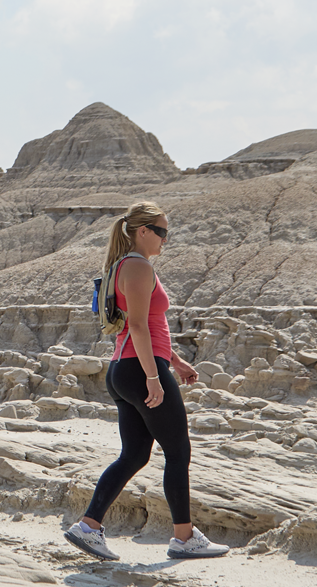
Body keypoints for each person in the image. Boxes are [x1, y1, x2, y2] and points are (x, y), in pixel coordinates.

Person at [63, 202, 230, 560]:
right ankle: (184, 538)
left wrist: (177, 360)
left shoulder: (123, 266)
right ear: (142, 231)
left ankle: (88, 527)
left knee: (135, 454)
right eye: (162, 232)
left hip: (125, 368)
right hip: (140, 369)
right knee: (178, 450)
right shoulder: (137, 266)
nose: (165, 239)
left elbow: (146, 327)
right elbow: (137, 325)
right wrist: (154, 377)